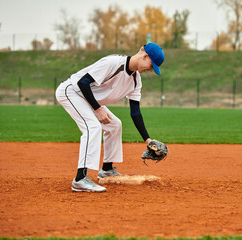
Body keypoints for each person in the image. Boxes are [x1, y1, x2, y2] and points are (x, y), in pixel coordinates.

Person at [55, 42, 165, 192]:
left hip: (88, 98)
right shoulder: (113, 63)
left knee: (115, 124)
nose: (151, 70)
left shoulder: (135, 80)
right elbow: (83, 83)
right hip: (72, 91)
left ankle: (107, 169)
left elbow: (135, 112)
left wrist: (148, 140)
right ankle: (80, 179)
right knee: (92, 126)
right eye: (152, 66)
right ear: (145, 56)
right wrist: (98, 109)